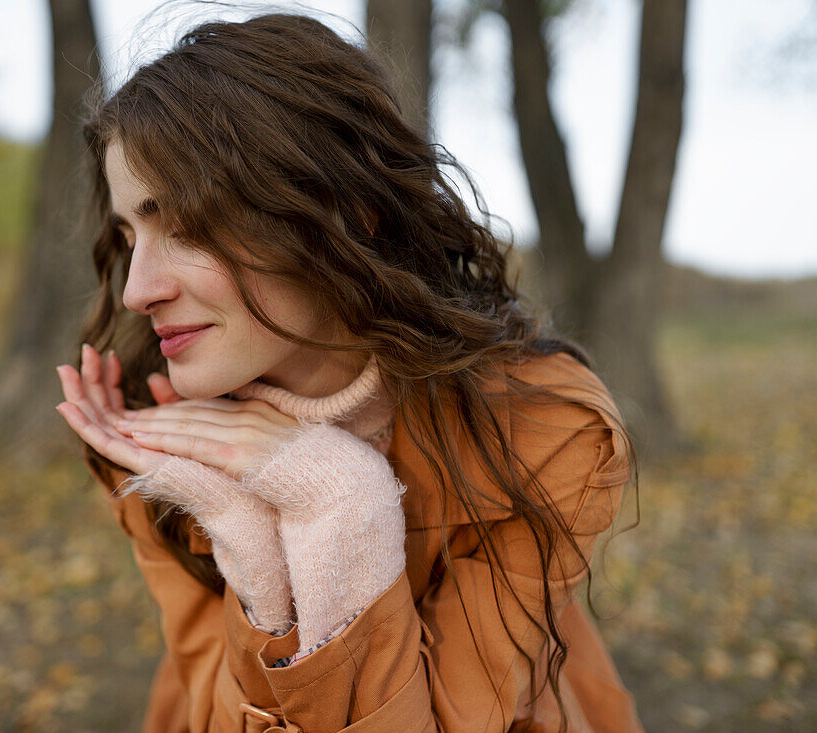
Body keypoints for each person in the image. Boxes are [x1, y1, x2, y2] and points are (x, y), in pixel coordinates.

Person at [54, 11, 643, 733]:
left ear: (348, 211)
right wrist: (245, 529)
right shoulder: (161, 441)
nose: (138, 289)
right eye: (128, 233)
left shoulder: (542, 432)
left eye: (185, 224)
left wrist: (342, 502)